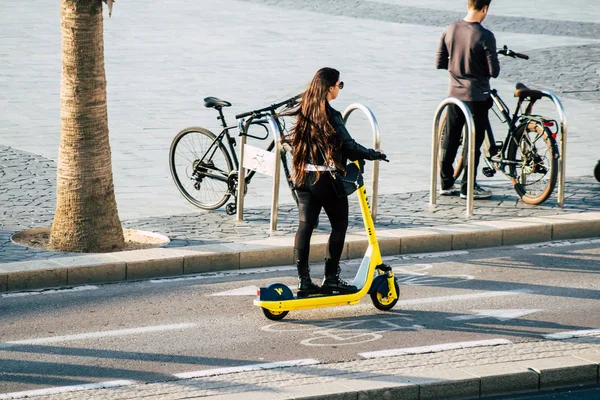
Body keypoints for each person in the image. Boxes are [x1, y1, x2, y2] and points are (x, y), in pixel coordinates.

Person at [286, 67, 386, 296]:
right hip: (324, 180)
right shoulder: (331, 115)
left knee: (305, 226)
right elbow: (350, 148)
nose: (340, 88)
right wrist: (374, 153)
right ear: (330, 88)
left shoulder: (303, 110)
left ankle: (304, 281)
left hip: (302, 176)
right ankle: (331, 278)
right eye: (340, 85)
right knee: (339, 225)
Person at [436, 0, 500, 199]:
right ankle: (468, 187)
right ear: (485, 8)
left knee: (450, 139)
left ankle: (446, 184)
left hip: (454, 95)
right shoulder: (486, 36)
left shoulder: (450, 29)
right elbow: (494, 71)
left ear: (468, 5)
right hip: (477, 97)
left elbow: (439, 62)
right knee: (474, 142)